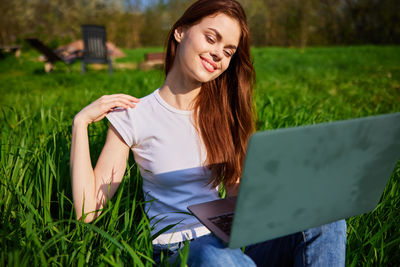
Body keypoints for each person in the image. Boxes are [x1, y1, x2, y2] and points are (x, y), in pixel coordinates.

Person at [70, 0, 347, 266]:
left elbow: (237, 196)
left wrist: (275, 191)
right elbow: (88, 212)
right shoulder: (133, 115)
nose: (218, 54)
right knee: (221, 259)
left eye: (228, 51)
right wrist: (80, 123)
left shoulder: (224, 114)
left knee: (325, 217)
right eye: (211, 38)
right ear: (180, 31)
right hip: (180, 249)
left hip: (233, 239)